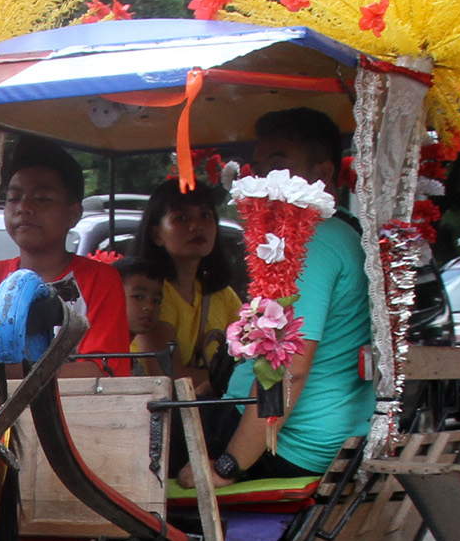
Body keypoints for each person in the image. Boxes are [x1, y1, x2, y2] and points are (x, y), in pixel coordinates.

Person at [180, 107, 373, 488]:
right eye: (260, 166)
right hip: (320, 434)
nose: (266, 178)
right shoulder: (343, 234)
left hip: (283, 447)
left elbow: (288, 368)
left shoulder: (310, 240)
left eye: (279, 164)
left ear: (322, 174)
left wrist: (228, 467)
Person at [0, 136, 129, 374]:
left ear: (73, 214)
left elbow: (102, 373)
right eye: (13, 198)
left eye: (41, 198)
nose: (24, 207)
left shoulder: (100, 279)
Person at [133, 177, 243, 393]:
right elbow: (169, 375)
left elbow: (250, 354)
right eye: (181, 218)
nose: (196, 226)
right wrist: (235, 381)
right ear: (157, 235)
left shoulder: (223, 295)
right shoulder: (151, 294)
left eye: (205, 216)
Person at [116, 254, 167, 371]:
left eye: (157, 301)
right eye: (138, 297)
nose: (149, 307)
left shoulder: (136, 368)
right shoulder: (79, 353)